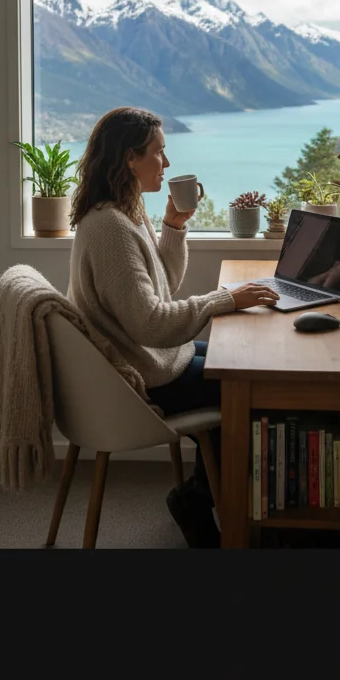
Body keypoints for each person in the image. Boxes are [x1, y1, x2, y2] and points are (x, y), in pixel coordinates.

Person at [67, 107, 281, 547]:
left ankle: (209, 495)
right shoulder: (109, 228)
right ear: (130, 158)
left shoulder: (127, 212)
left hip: (150, 358)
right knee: (245, 386)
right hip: (138, 376)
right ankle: (201, 500)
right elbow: (151, 323)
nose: (166, 163)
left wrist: (172, 228)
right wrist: (224, 300)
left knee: (243, 362)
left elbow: (160, 289)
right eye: (159, 153)